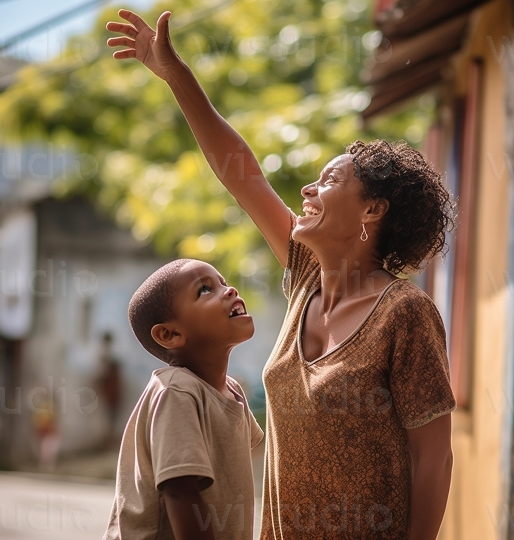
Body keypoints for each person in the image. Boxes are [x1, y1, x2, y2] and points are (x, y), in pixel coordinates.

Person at [106, 11, 457, 539]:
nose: (307, 192)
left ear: (371, 211)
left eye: (329, 181)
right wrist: (176, 76)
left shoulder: (405, 314)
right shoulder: (305, 281)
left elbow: (434, 459)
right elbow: (238, 168)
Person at [103, 259, 263, 540]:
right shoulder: (177, 391)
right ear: (170, 334)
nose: (229, 290)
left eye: (223, 282)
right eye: (204, 290)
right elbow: (179, 489)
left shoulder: (232, 390)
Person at [96, 331, 122, 448]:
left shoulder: (107, 356)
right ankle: (108, 440)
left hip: (112, 392)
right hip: (109, 392)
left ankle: (110, 441)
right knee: (109, 417)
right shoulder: (104, 356)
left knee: (111, 418)